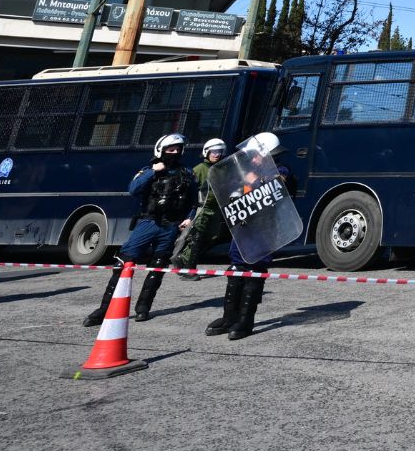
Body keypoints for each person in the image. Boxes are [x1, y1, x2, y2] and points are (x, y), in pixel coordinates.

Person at [83, 134, 198, 327]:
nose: (175, 153)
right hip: (148, 223)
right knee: (124, 262)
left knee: (158, 266)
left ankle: (143, 308)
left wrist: (189, 217)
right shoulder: (148, 170)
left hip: (170, 226)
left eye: (178, 149)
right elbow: (133, 189)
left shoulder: (187, 173)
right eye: (171, 150)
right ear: (161, 150)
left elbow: (193, 200)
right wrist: (152, 172)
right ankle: (104, 309)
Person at [206, 132, 291, 341]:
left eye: (255, 155)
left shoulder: (281, 172)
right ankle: (229, 317)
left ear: (267, 154)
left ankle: (245, 320)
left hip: (264, 229)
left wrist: (254, 182)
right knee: (236, 268)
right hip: (243, 227)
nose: (252, 160)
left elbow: (276, 190)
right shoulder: (247, 171)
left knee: (254, 270)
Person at [173, 138, 229, 280]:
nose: (217, 154)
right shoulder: (199, 169)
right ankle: (189, 269)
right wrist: (189, 216)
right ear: (207, 152)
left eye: (220, 151)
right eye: (214, 151)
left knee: (213, 236)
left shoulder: (222, 168)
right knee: (195, 238)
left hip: (216, 209)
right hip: (202, 208)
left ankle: (182, 259)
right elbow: (188, 193)